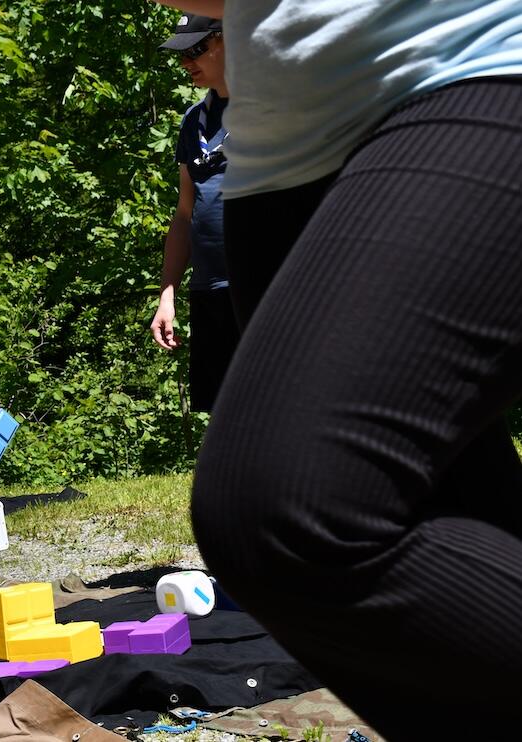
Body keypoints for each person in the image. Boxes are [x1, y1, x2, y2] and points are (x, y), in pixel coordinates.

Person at [149, 3, 522, 739]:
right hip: (278, 165)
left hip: (457, 68)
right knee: (461, 506)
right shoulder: (203, 123)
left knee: (289, 514)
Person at [150, 15, 238, 413]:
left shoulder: (272, 109)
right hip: (209, 292)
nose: (186, 62)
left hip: (266, 287)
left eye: (196, 49)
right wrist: (167, 295)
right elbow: (184, 215)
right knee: (223, 413)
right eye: (181, 54)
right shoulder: (193, 121)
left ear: (228, 40)